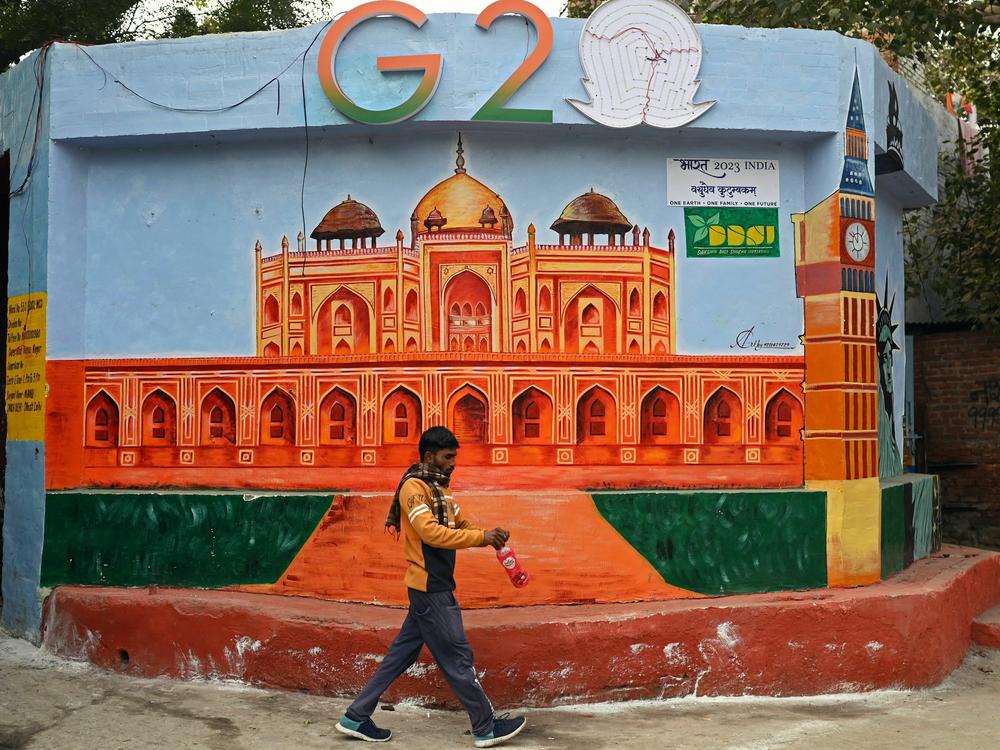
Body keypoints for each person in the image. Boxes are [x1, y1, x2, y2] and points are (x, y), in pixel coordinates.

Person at [335, 426, 527, 747]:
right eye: (448, 457)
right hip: (430, 589)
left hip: (431, 588)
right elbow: (431, 534)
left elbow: (458, 524)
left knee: (400, 657)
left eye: (455, 457)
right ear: (429, 456)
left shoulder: (440, 489)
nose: (453, 463)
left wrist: (489, 534)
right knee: (457, 657)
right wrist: (482, 538)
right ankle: (485, 727)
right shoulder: (415, 488)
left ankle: (356, 715)